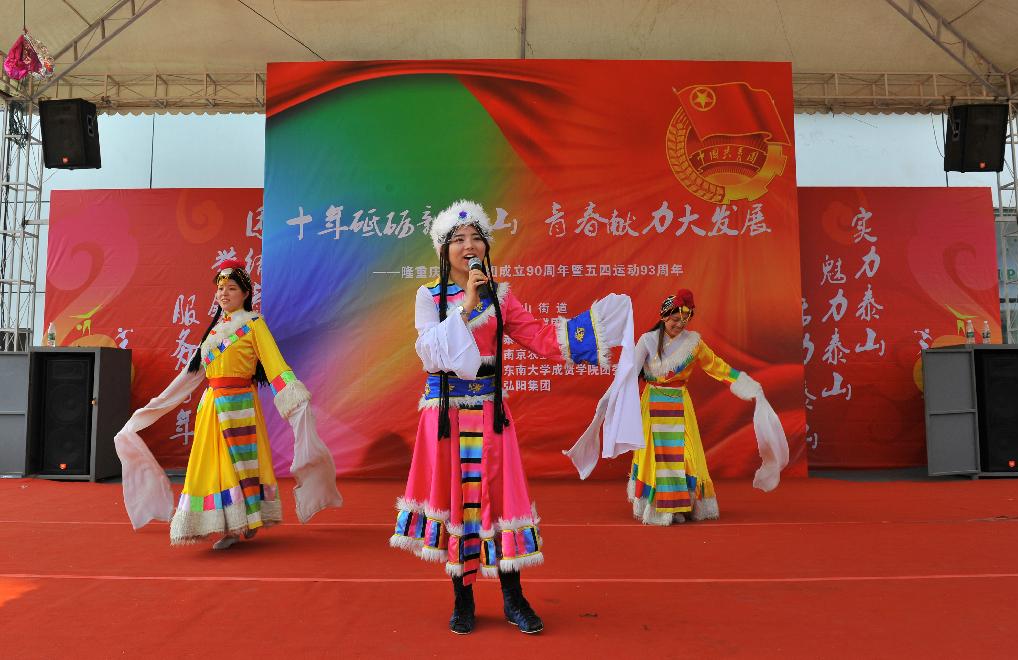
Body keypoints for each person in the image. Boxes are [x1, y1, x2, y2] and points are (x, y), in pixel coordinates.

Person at [390, 199, 639, 635]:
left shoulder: (501, 296)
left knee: (503, 501)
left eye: (476, 238)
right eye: (458, 240)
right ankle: (463, 598)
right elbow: (429, 352)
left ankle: (513, 597)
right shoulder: (428, 297)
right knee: (456, 502)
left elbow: (541, 337)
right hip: (446, 416)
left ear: (486, 247)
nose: (469, 246)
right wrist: (467, 304)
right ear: (443, 249)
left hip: (490, 413)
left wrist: (597, 327)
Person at [114, 259, 342, 548]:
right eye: (220, 288)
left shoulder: (254, 324)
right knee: (213, 466)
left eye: (231, 288)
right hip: (212, 407)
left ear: (245, 293)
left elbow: (275, 365)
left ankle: (241, 524)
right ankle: (230, 525)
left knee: (239, 466)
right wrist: (151, 409)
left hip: (240, 406)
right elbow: (190, 375)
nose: (224, 293)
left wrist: (295, 397)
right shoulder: (214, 330)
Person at [627, 288, 787, 525]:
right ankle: (661, 509)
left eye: (684, 320)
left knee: (685, 456)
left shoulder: (693, 344)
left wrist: (748, 385)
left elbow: (717, 367)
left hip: (680, 405)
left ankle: (681, 506)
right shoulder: (647, 341)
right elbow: (628, 375)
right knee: (657, 458)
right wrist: (613, 402)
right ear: (664, 316)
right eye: (675, 319)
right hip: (652, 405)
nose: (679, 324)